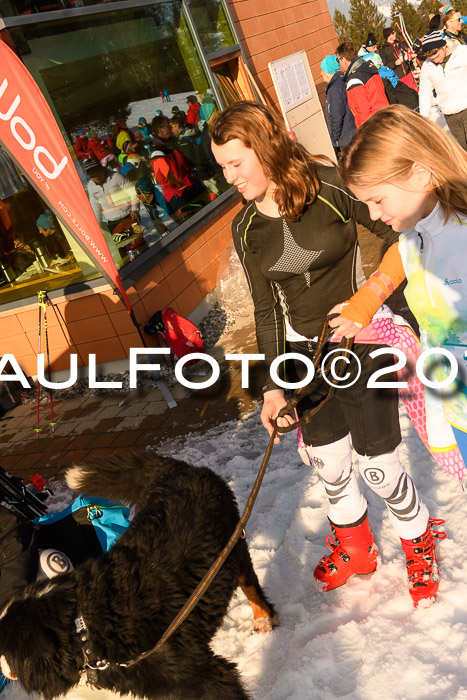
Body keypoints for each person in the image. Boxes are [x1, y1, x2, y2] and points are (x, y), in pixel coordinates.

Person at [210, 100, 442, 608]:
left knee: (378, 462)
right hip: (301, 355)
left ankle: (418, 538)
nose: (229, 177)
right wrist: (273, 385)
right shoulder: (246, 227)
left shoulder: (328, 185)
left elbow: (395, 234)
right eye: (222, 166)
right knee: (330, 463)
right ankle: (357, 549)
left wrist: (384, 306)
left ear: (265, 149)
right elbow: (266, 309)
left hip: (363, 338)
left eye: (236, 163)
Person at [336, 103, 467, 473]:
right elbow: (399, 259)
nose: (374, 215)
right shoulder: (415, 239)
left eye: (377, 200)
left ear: (421, 174)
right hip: (457, 407)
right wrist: (363, 304)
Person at [419, 30, 467, 148]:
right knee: (463, 149)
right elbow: (425, 92)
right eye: (432, 58)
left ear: (444, 46)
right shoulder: (427, 66)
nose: (436, 60)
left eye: (437, 56)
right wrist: (424, 118)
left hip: (466, 107)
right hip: (450, 115)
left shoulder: (461, 53)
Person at [336, 42, 389, 128]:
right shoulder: (368, 67)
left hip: (375, 126)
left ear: (344, 60)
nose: (339, 64)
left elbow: (363, 112)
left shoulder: (354, 79)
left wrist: (365, 133)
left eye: (338, 60)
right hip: (386, 115)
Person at [84, 159, 139, 235]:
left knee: (137, 243)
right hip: (112, 222)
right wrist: (98, 226)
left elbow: (133, 192)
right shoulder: (91, 186)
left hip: (128, 216)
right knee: (121, 245)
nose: (97, 177)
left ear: (102, 170)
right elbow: (95, 206)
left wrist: (135, 209)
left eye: (98, 174)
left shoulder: (116, 176)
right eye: (93, 176)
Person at [320, 54, 356, 152]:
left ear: (328, 71)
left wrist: (334, 139)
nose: (321, 73)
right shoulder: (342, 81)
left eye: (323, 70)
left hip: (345, 137)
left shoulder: (334, 89)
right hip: (352, 131)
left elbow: (336, 115)